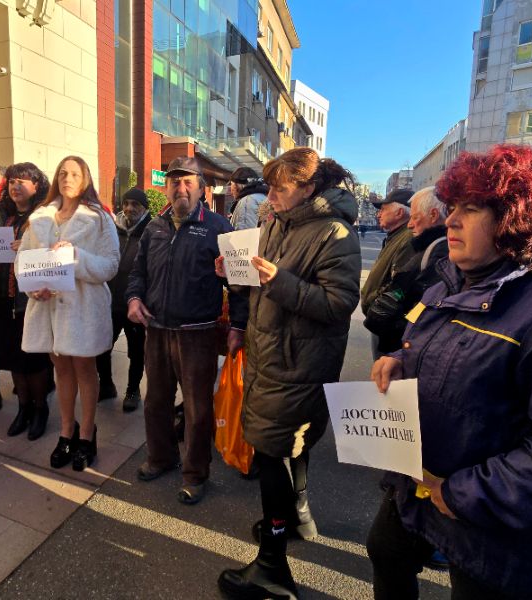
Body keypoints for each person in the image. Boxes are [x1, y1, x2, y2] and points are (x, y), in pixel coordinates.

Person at [367, 144, 532, 599]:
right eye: (453, 207)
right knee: (385, 551)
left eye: (471, 209)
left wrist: (463, 494)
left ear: (516, 220)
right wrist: (401, 363)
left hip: (501, 533)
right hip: (424, 491)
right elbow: (452, 357)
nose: (451, 220)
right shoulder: (448, 285)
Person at [215, 149, 361, 599]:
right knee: (288, 447)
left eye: (280, 188)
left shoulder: (335, 232)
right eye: (270, 186)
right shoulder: (278, 222)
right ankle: (296, 519)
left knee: (273, 453)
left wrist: (277, 280)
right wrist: (234, 274)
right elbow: (261, 284)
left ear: (309, 188)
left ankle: (272, 568)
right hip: (270, 356)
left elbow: (339, 304)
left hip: (298, 364)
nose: (271, 195)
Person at [127, 156, 246, 505]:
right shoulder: (154, 227)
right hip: (156, 329)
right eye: (174, 182)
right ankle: (161, 457)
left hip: (198, 333)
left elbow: (240, 284)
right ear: (166, 188)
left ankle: (195, 474)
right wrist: (133, 298)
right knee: (155, 402)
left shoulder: (219, 227)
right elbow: (138, 272)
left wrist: (238, 326)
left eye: (188, 182)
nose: (181, 188)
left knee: (197, 409)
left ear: (201, 189)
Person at [19, 156, 119, 471]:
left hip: (83, 308)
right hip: (48, 308)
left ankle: (87, 434)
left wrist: (76, 256)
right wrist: (33, 287)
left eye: (75, 174)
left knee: (85, 370)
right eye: (62, 173)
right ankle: (66, 431)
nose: (67, 178)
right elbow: (23, 259)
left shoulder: (99, 218)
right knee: (61, 370)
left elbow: (110, 265)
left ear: (85, 179)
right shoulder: (40, 217)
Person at [0, 163, 52, 439]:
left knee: (33, 359)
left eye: (22, 181)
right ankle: (24, 408)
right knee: (12, 357)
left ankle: (40, 408)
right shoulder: (1, 215)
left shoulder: (44, 216)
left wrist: (27, 247)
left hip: (30, 300)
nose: (15, 186)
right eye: (11, 181)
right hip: (1, 295)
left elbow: (55, 252)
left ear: (37, 185)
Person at [363, 186, 448, 355]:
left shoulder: (430, 249)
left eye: (415, 217)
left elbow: (416, 302)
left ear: (433, 215)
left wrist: (377, 302)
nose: (410, 224)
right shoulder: (419, 243)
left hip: (399, 340)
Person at [95, 188, 151, 412]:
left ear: (144, 208)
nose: (129, 208)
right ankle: (106, 385)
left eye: (135, 204)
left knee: (136, 351)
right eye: (126, 203)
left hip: (135, 303)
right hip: (110, 300)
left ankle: (132, 390)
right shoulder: (113, 229)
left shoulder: (150, 231)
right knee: (102, 347)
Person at [361, 188, 414, 359]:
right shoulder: (396, 236)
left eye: (383, 209)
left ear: (399, 212)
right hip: (382, 321)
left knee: (385, 370)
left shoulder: (408, 239)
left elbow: (399, 285)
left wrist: (375, 304)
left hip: (387, 323)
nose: (379, 214)